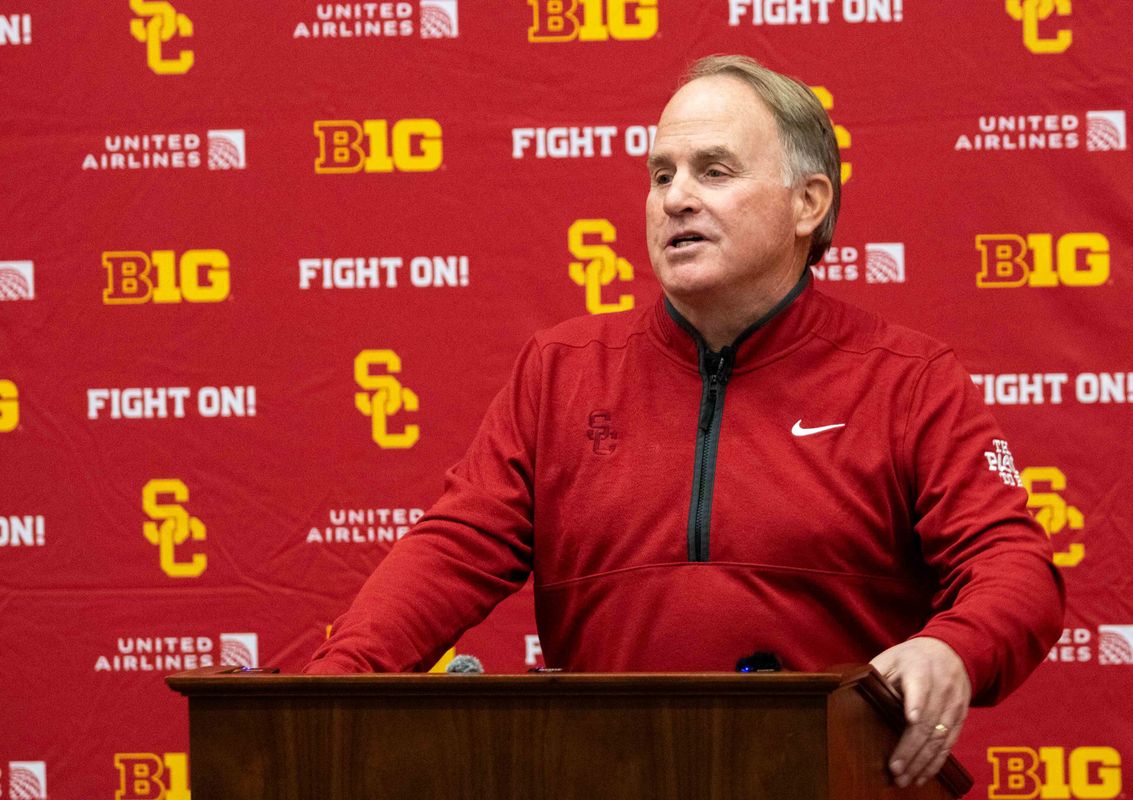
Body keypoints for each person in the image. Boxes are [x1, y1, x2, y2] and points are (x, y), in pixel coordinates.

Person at [305, 54, 1064, 789]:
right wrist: (326, 693)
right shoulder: (562, 369)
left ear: (809, 203)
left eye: (714, 170)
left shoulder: (909, 381)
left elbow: (1015, 569)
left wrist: (952, 650)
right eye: (661, 174)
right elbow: (453, 550)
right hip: (605, 778)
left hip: (831, 779)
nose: (675, 198)